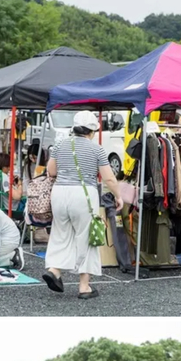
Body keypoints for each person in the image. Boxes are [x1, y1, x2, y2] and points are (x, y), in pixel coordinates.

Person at [42, 110, 124, 299]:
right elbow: (109, 178)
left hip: (60, 193)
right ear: (92, 130)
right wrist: (118, 196)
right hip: (83, 195)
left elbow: (51, 171)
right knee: (86, 238)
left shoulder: (61, 144)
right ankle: (84, 286)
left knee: (61, 234)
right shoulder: (97, 149)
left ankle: (54, 270)